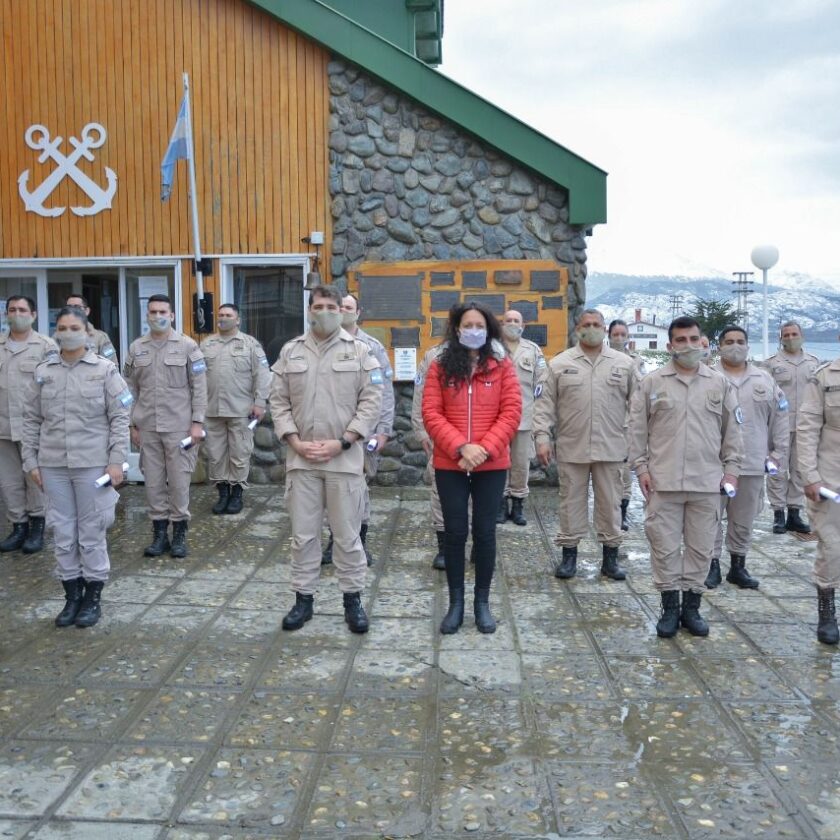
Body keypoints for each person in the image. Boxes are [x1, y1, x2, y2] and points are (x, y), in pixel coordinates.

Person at [270, 284, 383, 634]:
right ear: (309, 310)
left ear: (342, 311)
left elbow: (372, 401)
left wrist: (344, 442)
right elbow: (278, 401)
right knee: (303, 537)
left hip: (343, 462)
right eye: (319, 306)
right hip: (302, 461)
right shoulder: (291, 351)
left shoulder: (361, 352)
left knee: (347, 537)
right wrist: (294, 441)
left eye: (333, 307)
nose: (326, 312)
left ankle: (353, 600)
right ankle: (303, 600)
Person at [629, 316, 743, 638]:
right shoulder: (652, 383)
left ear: (702, 342)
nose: (689, 345)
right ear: (670, 346)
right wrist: (641, 468)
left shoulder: (719, 383)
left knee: (701, 548)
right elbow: (636, 430)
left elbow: (733, 432)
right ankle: (669, 608)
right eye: (681, 340)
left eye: (694, 339)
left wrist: (732, 471)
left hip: (706, 483)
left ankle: (692, 608)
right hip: (662, 482)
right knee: (664, 547)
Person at [21, 307, 130, 628]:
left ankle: (92, 597)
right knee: (63, 531)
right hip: (53, 465)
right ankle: (72, 595)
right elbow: (30, 420)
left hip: (92, 466)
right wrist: (31, 462)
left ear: (86, 332)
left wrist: (116, 461)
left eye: (74, 328)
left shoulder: (105, 370)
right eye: (62, 328)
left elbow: (120, 417)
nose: (67, 333)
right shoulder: (43, 372)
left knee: (91, 531)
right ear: (55, 332)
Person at [422, 302, 521, 635]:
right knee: (454, 533)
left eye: (480, 325)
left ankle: (482, 603)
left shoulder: (502, 365)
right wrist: (461, 447)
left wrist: (484, 449)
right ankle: (456, 604)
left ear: (489, 329)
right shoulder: (440, 365)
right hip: (451, 462)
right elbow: (431, 412)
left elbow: (511, 412)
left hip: (490, 463)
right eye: (468, 325)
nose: (474, 330)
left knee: (484, 532)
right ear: (457, 328)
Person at [534, 309, 635, 582]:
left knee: (611, 504)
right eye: (586, 324)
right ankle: (569, 556)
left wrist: (637, 443)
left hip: (611, 447)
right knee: (570, 503)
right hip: (572, 446)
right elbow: (543, 405)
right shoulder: (559, 364)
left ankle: (610, 559)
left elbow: (638, 406)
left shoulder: (624, 364)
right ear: (577, 330)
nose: (592, 328)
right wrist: (542, 437)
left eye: (596, 324)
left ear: (604, 329)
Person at [123, 294, 207, 558]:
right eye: (153, 312)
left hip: (179, 428)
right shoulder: (137, 348)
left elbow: (200, 387)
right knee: (153, 483)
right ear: (147, 315)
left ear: (171, 315)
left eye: (162, 312)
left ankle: (179, 533)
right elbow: (128, 388)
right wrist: (131, 424)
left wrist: (197, 423)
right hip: (147, 427)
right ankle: (159, 534)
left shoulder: (188, 346)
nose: (157, 316)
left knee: (179, 482)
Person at [705, 326, 789, 590]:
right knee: (710, 517)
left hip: (753, 460)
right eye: (729, 341)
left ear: (748, 346)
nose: (735, 346)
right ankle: (711, 565)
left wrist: (777, 453)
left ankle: (738, 565)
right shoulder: (707, 377)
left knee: (743, 519)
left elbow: (780, 418)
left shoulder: (764, 379)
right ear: (720, 346)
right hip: (713, 463)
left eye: (740, 341)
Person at [319, 293, 395, 565]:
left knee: (358, 490)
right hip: (331, 432)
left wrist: (383, 430)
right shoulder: (322, 343)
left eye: (349, 307)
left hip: (364, 433)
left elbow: (385, 391)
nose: (344, 311)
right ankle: (335, 541)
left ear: (358, 312)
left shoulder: (372, 347)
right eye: (340, 307)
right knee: (331, 489)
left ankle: (359, 542)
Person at [200, 303, 271, 515]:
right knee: (216, 455)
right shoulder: (206, 345)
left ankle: (237, 494)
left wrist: (260, 402)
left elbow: (262, 375)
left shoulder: (250, 344)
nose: (223, 318)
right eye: (220, 314)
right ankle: (223, 494)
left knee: (240, 454)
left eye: (228, 315)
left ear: (238, 320)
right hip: (212, 410)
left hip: (241, 410)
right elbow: (196, 377)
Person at [0, 295, 57, 554]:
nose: (17, 314)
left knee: (34, 479)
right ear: (6, 314)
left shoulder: (46, 346)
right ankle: (18, 527)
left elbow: (54, 387)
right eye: (12, 309)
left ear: (33, 315)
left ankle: (37, 527)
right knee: (9, 482)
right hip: (2, 427)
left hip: (33, 428)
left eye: (22, 310)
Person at [798, 356, 840, 645]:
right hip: (831, 475)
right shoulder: (824, 377)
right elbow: (807, 428)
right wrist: (810, 476)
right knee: (833, 545)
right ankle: (827, 612)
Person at [765, 321, 820, 534]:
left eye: (794, 334)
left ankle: (794, 514)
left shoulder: (813, 363)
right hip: (779, 425)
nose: (790, 338)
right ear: (781, 338)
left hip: (806, 426)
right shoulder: (771, 364)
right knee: (777, 471)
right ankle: (778, 514)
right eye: (786, 335)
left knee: (799, 471)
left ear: (802, 335)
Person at [499, 309, 546, 526]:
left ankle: (518, 504)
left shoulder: (533, 350)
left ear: (523, 325)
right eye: (508, 320)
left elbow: (541, 385)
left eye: (516, 320)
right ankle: (500, 504)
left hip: (524, 418)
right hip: (497, 418)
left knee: (520, 463)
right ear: (502, 324)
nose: (512, 323)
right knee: (499, 462)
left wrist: (539, 418)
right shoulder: (492, 349)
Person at [607, 319, 646, 530]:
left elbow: (641, 388)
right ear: (609, 336)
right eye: (616, 335)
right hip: (606, 421)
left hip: (625, 423)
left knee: (624, 470)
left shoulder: (635, 360)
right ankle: (608, 509)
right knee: (606, 471)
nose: (619, 338)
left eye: (623, 335)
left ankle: (622, 511)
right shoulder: (602, 358)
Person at [411, 342, 447, 569]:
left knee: (480, 495)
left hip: (482, 439)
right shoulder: (434, 355)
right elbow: (420, 392)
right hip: (441, 436)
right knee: (440, 490)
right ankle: (444, 547)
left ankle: (477, 542)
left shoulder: (493, 354)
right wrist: (421, 429)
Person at [65, 294, 118, 365]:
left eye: (77, 307)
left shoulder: (100, 338)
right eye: (68, 307)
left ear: (87, 311)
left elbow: (112, 366)